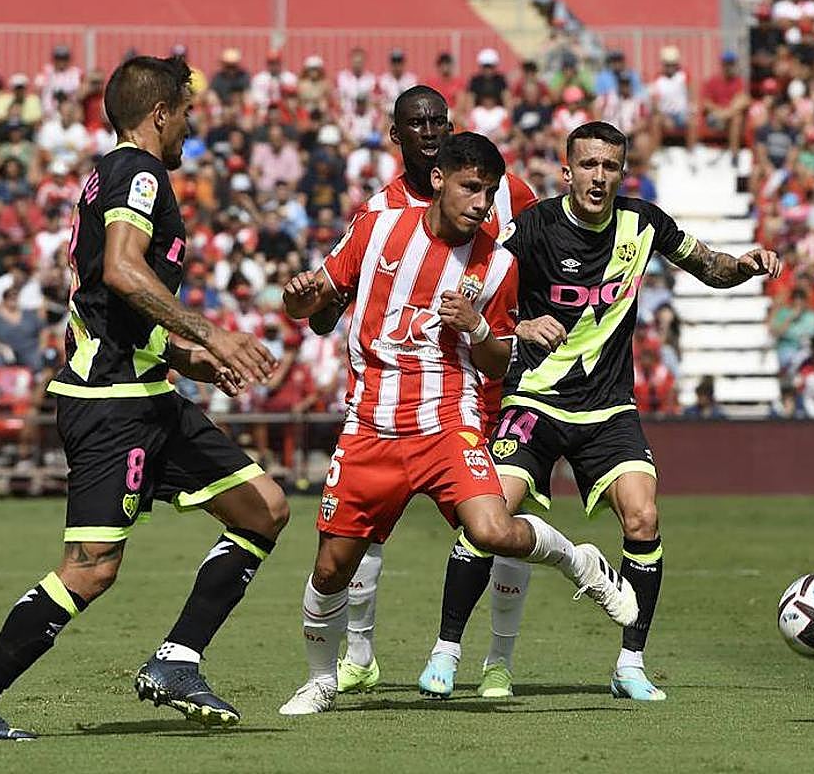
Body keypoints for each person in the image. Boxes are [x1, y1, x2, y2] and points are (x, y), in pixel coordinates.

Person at [0, 55, 286, 740]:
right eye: (185, 114)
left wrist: (192, 359)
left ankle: (178, 660)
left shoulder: (111, 172)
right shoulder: (141, 172)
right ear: (160, 115)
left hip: (148, 391)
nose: (190, 128)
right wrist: (211, 330)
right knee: (92, 570)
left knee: (264, 509)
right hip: (111, 403)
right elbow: (123, 272)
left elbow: (111, 301)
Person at [411, 122, 781, 702]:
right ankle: (446, 650)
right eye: (588, 165)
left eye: (610, 166)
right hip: (534, 397)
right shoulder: (530, 229)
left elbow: (711, 267)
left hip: (609, 409)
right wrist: (517, 326)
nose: (599, 177)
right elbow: (475, 292)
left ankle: (630, 663)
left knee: (643, 518)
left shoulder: (644, 223)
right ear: (567, 172)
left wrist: (748, 264)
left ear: (622, 172)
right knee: (485, 516)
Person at [277, 133, 635, 716]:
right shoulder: (378, 229)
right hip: (370, 423)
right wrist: (297, 297)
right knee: (329, 567)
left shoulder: (496, 264)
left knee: (493, 530)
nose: (481, 203)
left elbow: (500, 361)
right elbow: (314, 300)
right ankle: (321, 679)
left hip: (449, 419)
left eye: (489, 192)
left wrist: (476, 327)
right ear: (438, 179)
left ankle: (578, 561)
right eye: (471, 187)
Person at [305, 85, 536, 697]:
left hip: (493, 385)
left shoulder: (503, 189)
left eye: (439, 120)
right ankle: (358, 652)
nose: (430, 129)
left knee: (500, 520)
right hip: (397, 397)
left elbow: (531, 266)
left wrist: (530, 325)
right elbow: (332, 308)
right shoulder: (378, 214)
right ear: (397, 135)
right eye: (417, 123)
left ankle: (498, 661)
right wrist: (315, 304)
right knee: (368, 529)